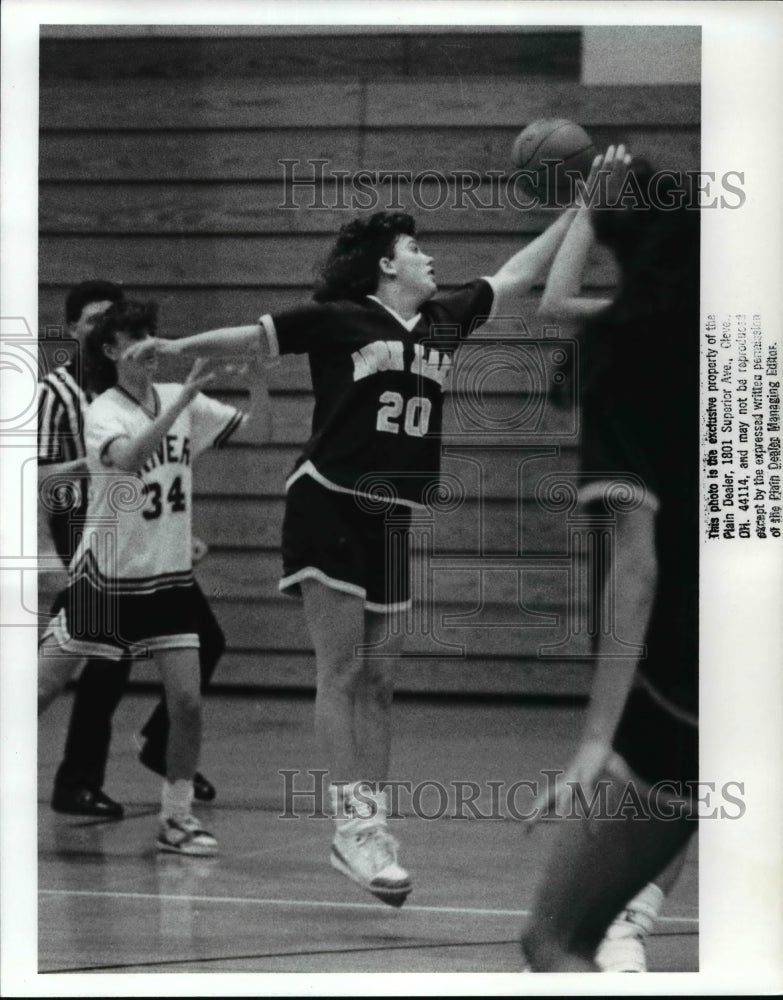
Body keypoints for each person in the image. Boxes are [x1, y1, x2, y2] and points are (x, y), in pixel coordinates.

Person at [124, 207, 583, 904]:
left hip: (390, 513)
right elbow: (252, 340)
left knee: (380, 680)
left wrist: (577, 208)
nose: (428, 258)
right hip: (328, 499)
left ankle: (371, 829)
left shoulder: (442, 319)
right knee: (340, 669)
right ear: (386, 264)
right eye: (414, 248)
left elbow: (519, 272)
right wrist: (173, 346)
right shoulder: (336, 316)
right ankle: (352, 828)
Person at [521, 149, 700, 970]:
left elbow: (637, 564)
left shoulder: (625, 354)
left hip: (691, 673)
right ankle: (639, 911)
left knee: (553, 939)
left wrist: (597, 735)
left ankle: (626, 918)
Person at [38, 300, 271, 855]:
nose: (146, 345)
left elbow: (260, 434)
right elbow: (128, 461)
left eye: (150, 333)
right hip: (106, 579)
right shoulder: (104, 411)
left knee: (187, 703)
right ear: (111, 350)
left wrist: (260, 380)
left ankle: (176, 818)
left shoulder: (177, 399)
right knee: (39, 691)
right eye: (131, 337)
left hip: (165, 580)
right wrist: (184, 402)